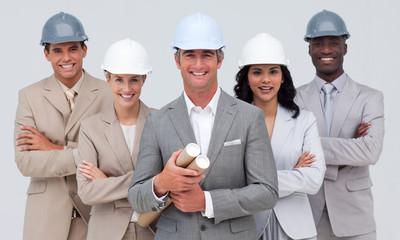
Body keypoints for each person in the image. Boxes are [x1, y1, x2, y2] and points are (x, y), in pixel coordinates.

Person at [128, 13, 278, 239]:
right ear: (177, 60)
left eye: (206, 55)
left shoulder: (249, 117)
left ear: (219, 60)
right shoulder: (157, 121)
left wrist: (207, 202)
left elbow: (267, 192)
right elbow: (136, 196)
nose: (198, 64)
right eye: (190, 55)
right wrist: (161, 182)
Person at [14, 12, 112, 240]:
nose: (66, 57)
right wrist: (84, 155)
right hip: (45, 220)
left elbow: (115, 159)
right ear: (46, 54)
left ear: (84, 50)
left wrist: (52, 148)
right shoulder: (29, 96)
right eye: (57, 50)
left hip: (97, 216)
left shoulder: (109, 93)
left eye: (73, 49)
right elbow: (26, 162)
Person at [295, 10, 384, 239]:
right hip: (305, 217)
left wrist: (310, 147)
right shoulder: (292, 99)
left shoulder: (370, 97)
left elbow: (370, 151)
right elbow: (287, 152)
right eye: (318, 43)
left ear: (345, 48)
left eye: (333, 43)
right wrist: (349, 148)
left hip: (355, 220)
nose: (326, 50)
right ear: (309, 49)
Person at [234, 33, 326, 240]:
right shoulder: (232, 122)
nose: (266, 79)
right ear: (247, 78)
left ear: (283, 76)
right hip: (247, 228)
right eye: (257, 72)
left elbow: (313, 180)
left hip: (296, 231)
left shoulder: (304, 121)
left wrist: (254, 184)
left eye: (273, 71)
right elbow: (228, 180)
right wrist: (294, 173)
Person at [76, 38, 155, 240]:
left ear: (144, 79)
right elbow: (87, 192)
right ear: (108, 79)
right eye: (119, 79)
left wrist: (107, 182)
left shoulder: (161, 121)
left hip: (154, 228)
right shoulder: (90, 127)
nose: (127, 89)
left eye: (134, 79)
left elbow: (169, 182)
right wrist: (144, 183)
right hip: (106, 232)